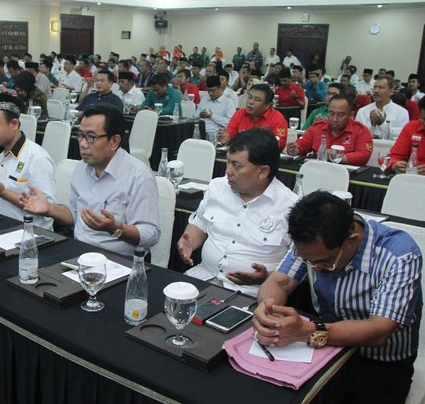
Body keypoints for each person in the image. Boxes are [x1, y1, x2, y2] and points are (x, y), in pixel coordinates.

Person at [253, 191, 421, 403]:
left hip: (377, 362)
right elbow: (280, 282)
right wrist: (267, 309)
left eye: (324, 262)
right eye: (308, 261)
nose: (316, 268)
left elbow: (379, 330)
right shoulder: (310, 240)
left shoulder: (398, 254)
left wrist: (308, 331)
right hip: (324, 347)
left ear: (352, 240)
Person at [20, 104, 160, 256]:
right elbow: (75, 216)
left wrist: (115, 228)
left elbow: (151, 234)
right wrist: (49, 208)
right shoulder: (81, 168)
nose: (82, 143)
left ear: (114, 141)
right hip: (80, 252)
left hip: (119, 261)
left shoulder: (138, 176)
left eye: (91, 137)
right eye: (80, 135)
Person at [177, 127, 297, 296]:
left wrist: (265, 277)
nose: (228, 171)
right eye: (228, 162)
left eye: (237, 166)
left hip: (252, 293)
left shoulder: (290, 207)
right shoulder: (217, 187)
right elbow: (199, 225)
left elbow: (296, 270)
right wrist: (189, 242)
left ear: (263, 171)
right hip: (203, 277)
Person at [0, 93, 56, 230]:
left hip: (30, 232)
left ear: (14, 124)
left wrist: (3, 193)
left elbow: (48, 208)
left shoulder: (36, 158)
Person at [287, 93, 372, 165]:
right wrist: (295, 149)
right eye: (331, 113)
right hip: (318, 172)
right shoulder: (318, 127)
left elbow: (364, 155)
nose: (335, 119)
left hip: (347, 177)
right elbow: (302, 145)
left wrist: (338, 157)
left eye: (341, 115)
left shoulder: (361, 131)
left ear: (351, 115)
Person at [220, 83, 288, 151]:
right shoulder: (239, 113)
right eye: (249, 97)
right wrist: (226, 140)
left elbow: (278, 145)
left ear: (267, 105)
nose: (250, 102)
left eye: (257, 99)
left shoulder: (278, 119)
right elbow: (230, 138)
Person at [389, 96, 425, 174]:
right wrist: (395, 164)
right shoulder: (411, 127)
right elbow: (394, 156)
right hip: (411, 179)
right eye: (423, 118)